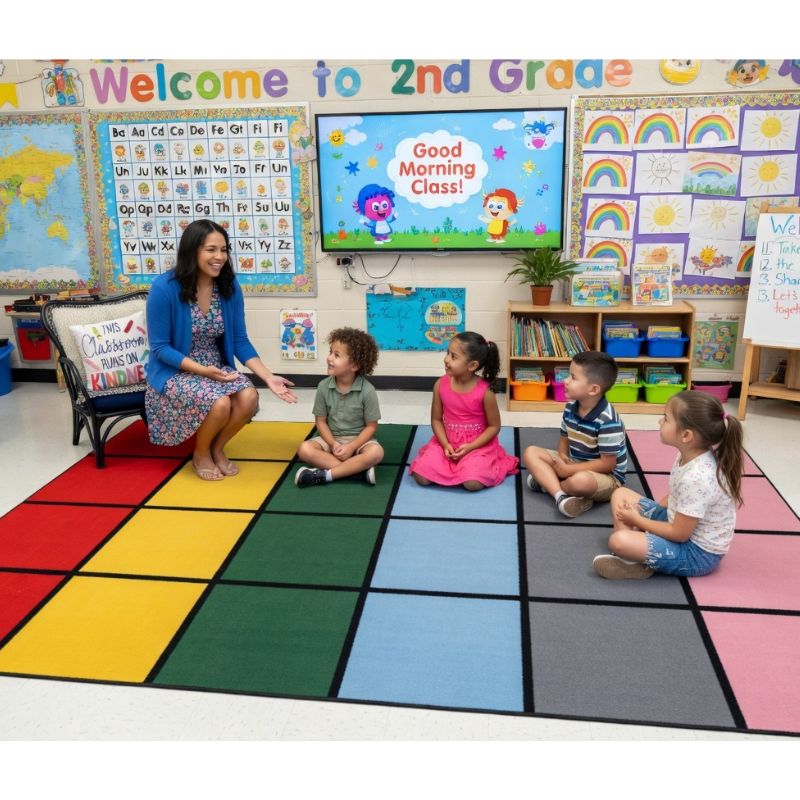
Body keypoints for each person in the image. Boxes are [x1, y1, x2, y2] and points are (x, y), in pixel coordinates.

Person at [145, 219, 297, 481]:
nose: (219, 257)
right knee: (220, 403)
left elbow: (239, 339)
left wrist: (268, 377)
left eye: (224, 250)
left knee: (249, 397)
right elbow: (160, 348)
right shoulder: (164, 288)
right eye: (211, 250)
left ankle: (217, 447)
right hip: (175, 370)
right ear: (192, 251)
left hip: (214, 367)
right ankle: (201, 453)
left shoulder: (228, 287)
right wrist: (202, 370)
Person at [594, 390, 744, 580]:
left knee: (619, 541)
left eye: (666, 419)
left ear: (686, 435)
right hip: (676, 521)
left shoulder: (698, 477)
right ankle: (634, 556)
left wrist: (637, 520)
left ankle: (634, 557)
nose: (660, 421)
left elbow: (680, 534)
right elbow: (675, 494)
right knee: (620, 494)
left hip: (695, 553)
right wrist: (652, 515)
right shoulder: (689, 454)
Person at [522, 350, 626, 517]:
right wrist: (562, 457)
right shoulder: (570, 407)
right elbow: (564, 439)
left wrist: (567, 471)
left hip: (606, 476)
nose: (566, 381)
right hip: (575, 462)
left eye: (573, 377)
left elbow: (608, 464)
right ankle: (560, 496)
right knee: (530, 453)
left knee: (580, 481)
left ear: (593, 389)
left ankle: (548, 483)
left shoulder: (608, 420)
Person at [409, 331, 518, 491]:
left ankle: (487, 465)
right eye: (447, 353)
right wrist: (445, 444)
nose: (446, 359)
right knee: (421, 476)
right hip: (447, 442)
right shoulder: (440, 385)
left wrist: (471, 446)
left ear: (472, 365)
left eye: (453, 357)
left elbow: (494, 427)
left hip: (477, 446)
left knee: (472, 483)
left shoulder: (485, 391)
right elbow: (437, 420)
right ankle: (454, 467)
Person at [295, 327, 384, 487]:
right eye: (330, 352)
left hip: (358, 441)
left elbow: (371, 427)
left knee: (376, 453)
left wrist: (352, 447)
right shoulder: (323, 386)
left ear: (354, 365)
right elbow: (320, 422)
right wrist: (333, 444)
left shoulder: (367, 390)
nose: (329, 358)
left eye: (336, 355)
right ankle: (357, 472)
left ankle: (326, 475)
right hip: (330, 439)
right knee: (304, 449)